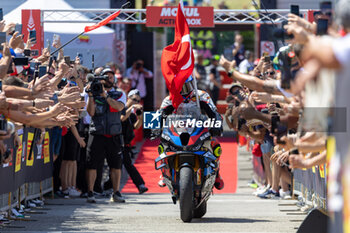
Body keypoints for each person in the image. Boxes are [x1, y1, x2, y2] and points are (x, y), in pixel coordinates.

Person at [156, 76, 224, 190]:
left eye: (186, 86)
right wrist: (155, 128)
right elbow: (159, 114)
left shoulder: (202, 95)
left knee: (215, 144)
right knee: (163, 144)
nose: (183, 90)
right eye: (180, 87)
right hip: (176, 129)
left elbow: (213, 112)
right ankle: (164, 173)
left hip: (198, 128)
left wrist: (216, 124)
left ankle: (217, 173)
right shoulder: (169, 98)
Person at [86, 68, 127, 203]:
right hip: (97, 133)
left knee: (115, 165)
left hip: (113, 134)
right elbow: (91, 113)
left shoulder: (119, 94)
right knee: (92, 164)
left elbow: (119, 107)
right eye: (106, 76)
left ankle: (116, 192)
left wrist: (106, 96)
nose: (109, 79)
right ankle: (90, 192)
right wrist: (91, 95)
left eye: (111, 76)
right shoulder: (94, 92)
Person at [120, 89, 148, 194]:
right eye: (134, 99)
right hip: (116, 141)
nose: (136, 102)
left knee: (125, 165)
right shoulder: (122, 107)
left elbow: (135, 127)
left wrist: (140, 118)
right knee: (118, 166)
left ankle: (140, 185)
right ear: (128, 98)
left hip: (126, 143)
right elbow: (122, 118)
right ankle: (140, 184)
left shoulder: (132, 114)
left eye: (138, 101)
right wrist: (131, 108)